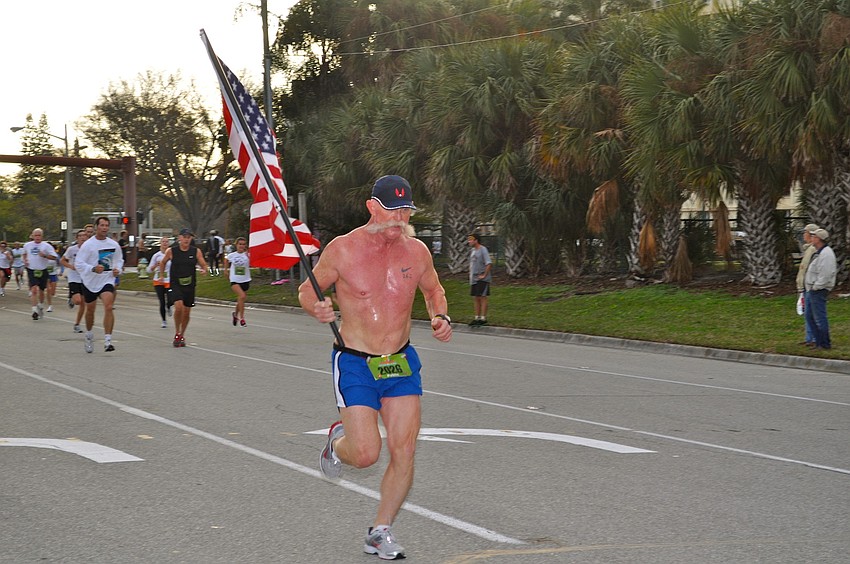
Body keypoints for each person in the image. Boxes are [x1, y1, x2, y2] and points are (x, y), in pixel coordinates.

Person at [299, 174, 452, 561]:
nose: (398, 219)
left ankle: (380, 530)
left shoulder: (416, 252)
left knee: (404, 450)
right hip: (354, 361)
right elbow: (308, 289)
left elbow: (434, 290)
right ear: (371, 206)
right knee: (366, 454)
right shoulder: (343, 250)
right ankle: (337, 444)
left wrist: (440, 316)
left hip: (399, 359)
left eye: (405, 211)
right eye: (391, 209)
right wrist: (315, 307)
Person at [76, 217, 123, 353]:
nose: (104, 228)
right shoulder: (88, 245)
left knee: (108, 306)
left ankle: (108, 340)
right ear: (96, 227)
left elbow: (119, 260)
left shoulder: (113, 244)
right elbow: (79, 263)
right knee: (90, 311)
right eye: (102, 225)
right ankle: (89, 334)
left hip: (106, 279)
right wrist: (93, 268)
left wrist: (117, 269)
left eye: (106, 225)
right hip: (90, 281)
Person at [161, 228, 208, 347]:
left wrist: (204, 269)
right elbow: (163, 262)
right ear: (179, 238)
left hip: (190, 285)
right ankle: (177, 332)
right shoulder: (171, 251)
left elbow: (203, 263)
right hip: (176, 283)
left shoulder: (195, 251)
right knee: (179, 307)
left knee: (186, 312)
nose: (187, 239)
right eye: (184, 237)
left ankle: (182, 334)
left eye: (189, 237)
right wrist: (162, 275)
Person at [804, 228, 836, 350]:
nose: (811, 238)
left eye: (813, 236)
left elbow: (826, 274)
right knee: (810, 316)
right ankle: (818, 341)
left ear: (818, 239)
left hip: (818, 290)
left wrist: (816, 286)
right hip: (813, 289)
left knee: (819, 316)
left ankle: (824, 343)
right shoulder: (819, 252)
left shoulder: (826, 254)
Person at [23, 228, 58, 320]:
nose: (37, 237)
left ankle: (40, 306)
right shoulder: (27, 245)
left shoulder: (46, 246)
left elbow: (54, 257)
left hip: (43, 269)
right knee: (34, 289)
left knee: (42, 291)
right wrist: (25, 260)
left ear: (42, 236)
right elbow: (24, 254)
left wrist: (45, 256)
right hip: (32, 269)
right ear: (32, 236)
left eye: (39, 235)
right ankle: (34, 310)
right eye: (36, 235)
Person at [61, 229, 89, 333]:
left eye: (84, 236)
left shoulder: (89, 250)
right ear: (77, 238)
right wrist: (71, 266)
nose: (82, 237)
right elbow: (62, 260)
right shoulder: (72, 249)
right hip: (74, 277)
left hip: (85, 278)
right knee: (77, 301)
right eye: (80, 236)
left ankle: (77, 324)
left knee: (83, 303)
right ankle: (71, 299)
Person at [795, 223, 819, 347]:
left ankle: (814, 338)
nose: (804, 235)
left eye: (805, 233)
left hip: (810, 286)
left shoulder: (813, 250)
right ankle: (809, 338)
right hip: (805, 286)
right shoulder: (808, 249)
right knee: (807, 313)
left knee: (812, 313)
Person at [225, 236, 251, 326]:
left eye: (243, 244)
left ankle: (235, 314)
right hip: (235, 280)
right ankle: (242, 318)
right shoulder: (232, 255)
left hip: (245, 279)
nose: (241, 246)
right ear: (236, 245)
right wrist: (226, 271)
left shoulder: (247, 255)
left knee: (241, 299)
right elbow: (226, 260)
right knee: (242, 296)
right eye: (240, 244)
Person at [147, 236, 172, 328]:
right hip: (158, 280)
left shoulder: (171, 255)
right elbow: (149, 270)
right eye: (163, 242)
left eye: (167, 242)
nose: (165, 243)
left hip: (169, 280)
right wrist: (155, 266)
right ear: (160, 244)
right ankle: (164, 320)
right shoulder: (156, 256)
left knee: (170, 299)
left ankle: (169, 306)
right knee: (161, 301)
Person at [468, 232, 492, 326]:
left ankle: (483, 318)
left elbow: (489, 263)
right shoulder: (473, 251)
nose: (469, 241)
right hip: (474, 279)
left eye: (471, 239)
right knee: (476, 297)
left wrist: (484, 275)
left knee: (482, 297)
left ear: (476, 240)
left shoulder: (483, 250)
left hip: (482, 279)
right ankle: (476, 317)